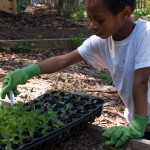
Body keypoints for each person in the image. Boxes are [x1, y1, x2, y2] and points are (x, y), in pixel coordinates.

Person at [1, 0, 150, 148]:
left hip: (140, 121)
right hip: (139, 121)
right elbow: (64, 60)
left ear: (125, 13)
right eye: (89, 18)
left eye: (99, 19)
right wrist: (26, 72)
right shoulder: (102, 42)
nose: (92, 25)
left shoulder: (145, 34)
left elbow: (141, 81)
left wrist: (138, 124)